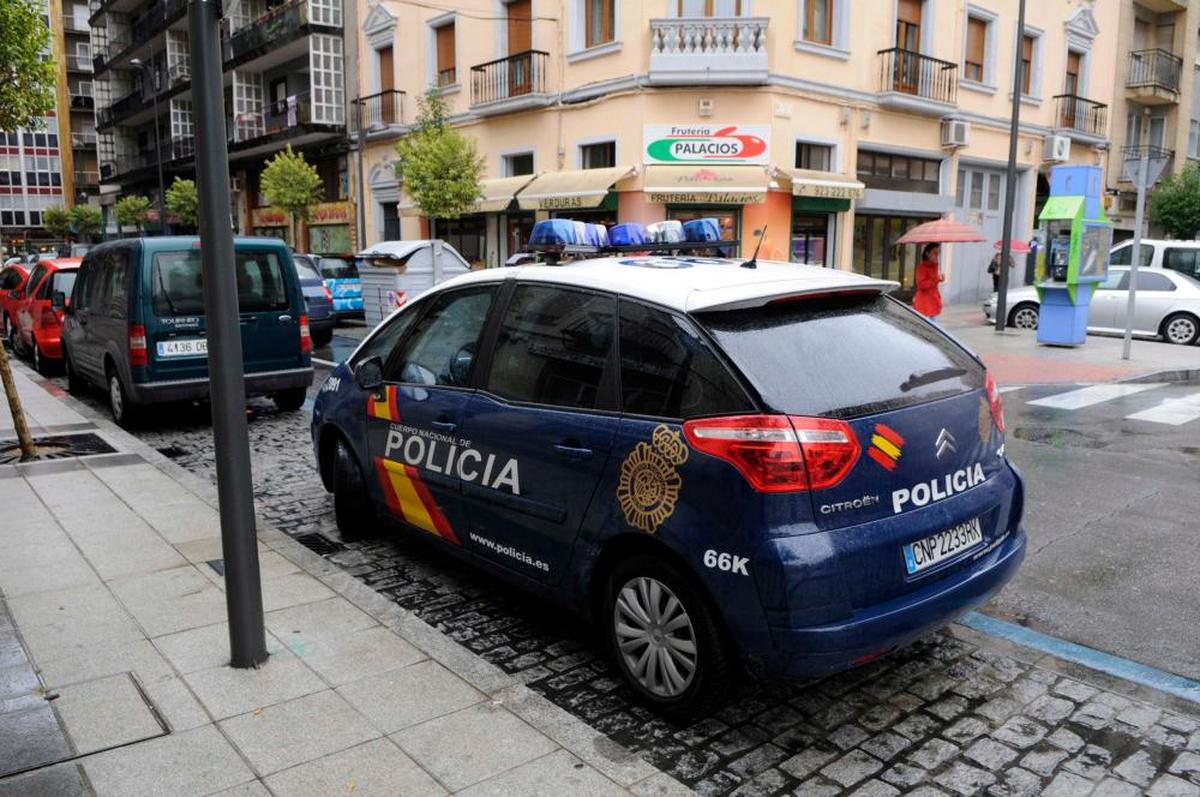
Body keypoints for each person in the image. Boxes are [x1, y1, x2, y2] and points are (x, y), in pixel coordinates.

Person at [913, 243, 945, 321]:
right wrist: (936, 279)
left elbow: (934, 283)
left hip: (933, 301)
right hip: (924, 304)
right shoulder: (922, 267)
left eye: (939, 253)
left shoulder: (936, 266)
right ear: (927, 253)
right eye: (934, 253)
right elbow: (921, 285)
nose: (937, 256)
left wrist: (940, 279)